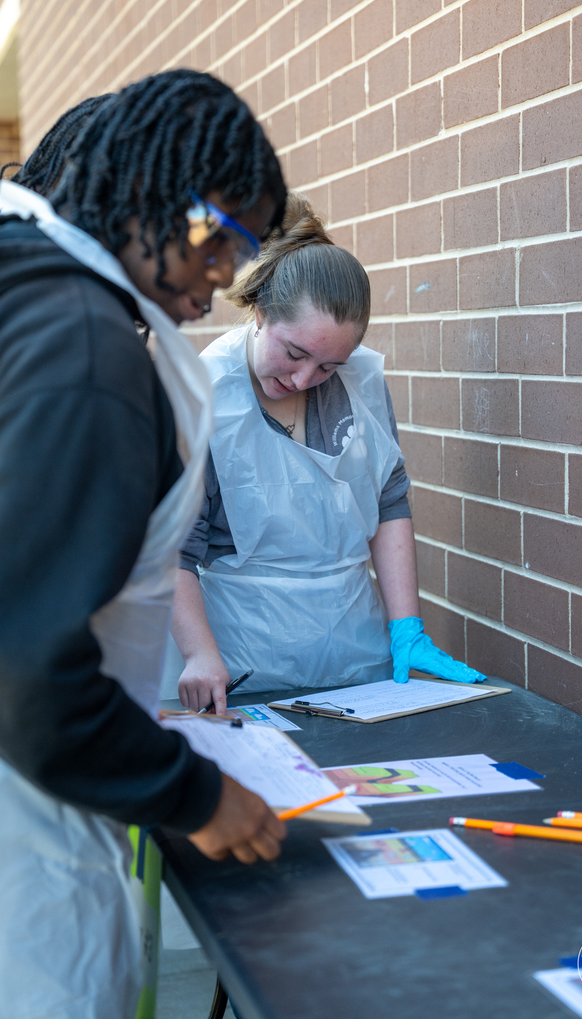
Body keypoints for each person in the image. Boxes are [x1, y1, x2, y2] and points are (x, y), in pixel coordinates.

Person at [0, 70, 288, 1019]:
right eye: (224, 239)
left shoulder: (28, 289)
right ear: (151, 193)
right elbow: (27, 668)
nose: (225, 276)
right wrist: (193, 795)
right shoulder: (84, 353)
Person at [167, 194, 485, 715]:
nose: (302, 379)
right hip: (244, 660)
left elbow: (389, 501)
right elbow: (173, 550)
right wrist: (199, 653)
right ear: (261, 311)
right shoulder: (201, 394)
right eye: (293, 354)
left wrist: (406, 627)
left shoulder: (362, 382)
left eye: (328, 367)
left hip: (357, 658)